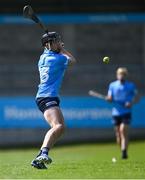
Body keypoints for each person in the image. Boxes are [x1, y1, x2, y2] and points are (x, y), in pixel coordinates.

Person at [31, 32, 76, 169]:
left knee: (60, 127)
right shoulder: (57, 59)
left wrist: (55, 46)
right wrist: (62, 49)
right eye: (56, 41)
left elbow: (51, 52)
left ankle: (40, 157)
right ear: (48, 44)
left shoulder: (42, 57)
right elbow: (73, 61)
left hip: (43, 96)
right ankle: (43, 153)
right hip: (47, 96)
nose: (59, 43)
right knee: (58, 126)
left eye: (59, 41)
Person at [106, 67, 138, 159]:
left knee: (123, 131)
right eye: (119, 74)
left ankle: (124, 152)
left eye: (123, 74)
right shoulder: (112, 85)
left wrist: (131, 103)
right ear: (117, 75)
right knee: (118, 135)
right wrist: (109, 99)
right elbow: (109, 97)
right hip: (116, 113)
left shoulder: (130, 86)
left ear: (125, 75)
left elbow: (137, 97)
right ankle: (122, 150)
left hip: (126, 112)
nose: (121, 76)